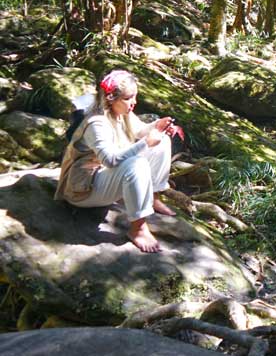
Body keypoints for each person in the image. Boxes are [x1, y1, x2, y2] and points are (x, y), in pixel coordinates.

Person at [55, 69, 182, 253]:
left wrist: (157, 126)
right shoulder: (96, 123)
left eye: (135, 96)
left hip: (104, 177)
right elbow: (110, 160)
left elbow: (139, 131)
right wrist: (146, 143)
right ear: (110, 99)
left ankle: (152, 197)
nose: (134, 102)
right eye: (129, 98)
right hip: (83, 189)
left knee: (162, 141)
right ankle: (138, 228)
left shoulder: (122, 112)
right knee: (137, 165)